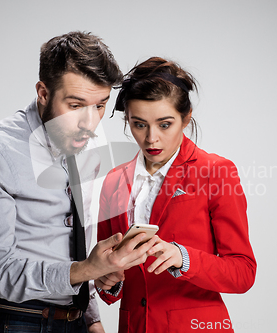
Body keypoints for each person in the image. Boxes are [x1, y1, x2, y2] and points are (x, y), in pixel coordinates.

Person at [0, 32, 157, 333]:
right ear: (43, 93)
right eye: (76, 106)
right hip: (15, 321)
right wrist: (89, 269)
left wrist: (92, 318)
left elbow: (78, 242)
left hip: (74, 319)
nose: (90, 123)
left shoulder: (86, 145)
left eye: (100, 106)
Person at [95, 57, 257, 333]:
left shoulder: (215, 171)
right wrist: (108, 278)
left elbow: (242, 273)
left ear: (186, 118)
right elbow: (107, 274)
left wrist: (184, 257)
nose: (151, 138)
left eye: (165, 124)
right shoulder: (113, 181)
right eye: (139, 124)